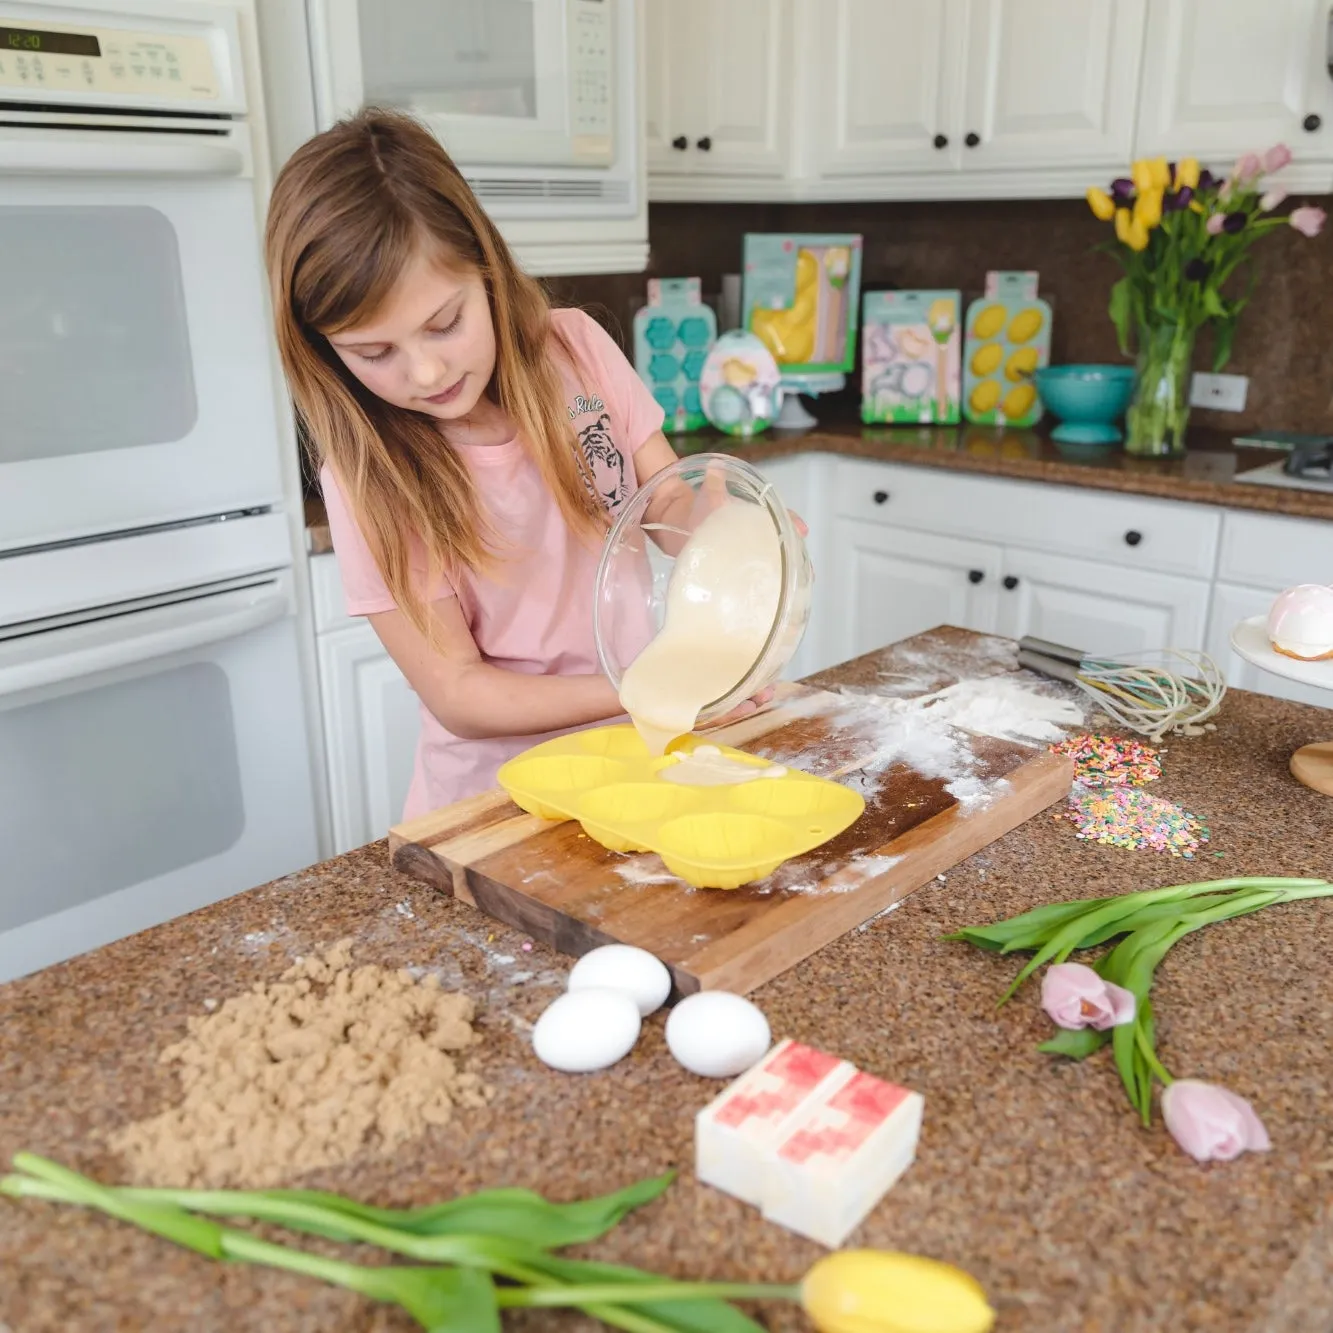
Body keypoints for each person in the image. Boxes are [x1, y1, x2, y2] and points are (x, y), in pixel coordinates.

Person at [265, 109, 800, 821]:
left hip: (643, 764)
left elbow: (662, 505)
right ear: (324, 349)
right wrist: (653, 689)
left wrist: (726, 527)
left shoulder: (574, 351)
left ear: (484, 268)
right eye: (374, 352)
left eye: (443, 322)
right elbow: (458, 691)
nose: (424, 371)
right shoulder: (368, 478)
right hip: (498, 805)